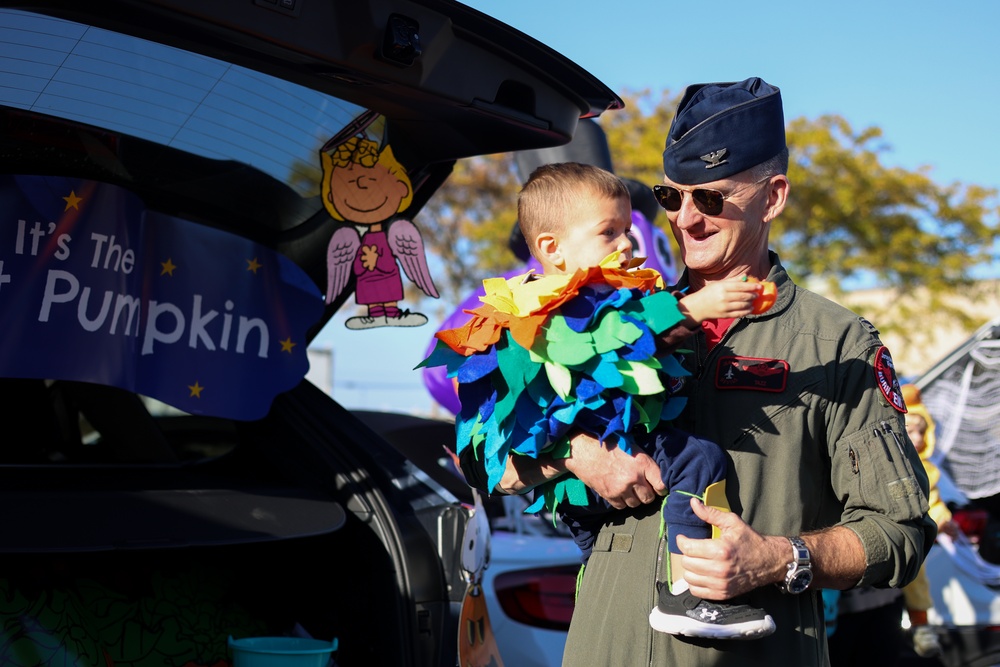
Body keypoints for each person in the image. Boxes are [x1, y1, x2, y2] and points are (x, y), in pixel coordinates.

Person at [458, 77, 936, 666]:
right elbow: (477, 458)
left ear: (774, 196)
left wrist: (779, 558)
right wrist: (574, 455)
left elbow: (900, 533)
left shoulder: (836, 342)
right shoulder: (604, 318)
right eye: (670, 197)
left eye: (709, 199)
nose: (685, 221)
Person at [422, 161, 778, 638]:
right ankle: (689, 593)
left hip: (576, 494)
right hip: (578, 472)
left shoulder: (585, 296)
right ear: (553, 248)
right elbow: (617, 339)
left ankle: (598, 604)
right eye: (609, 232)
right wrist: (694, 309)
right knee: (698, 459)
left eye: (628, 229)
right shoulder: (559, 306)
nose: (628, 243)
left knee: (594, 560)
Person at [900, 383, 959, 658]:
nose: (917, 439)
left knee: (916, 574)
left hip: (910, 534)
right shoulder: (890, 460)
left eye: (921, 432)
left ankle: (920, 624)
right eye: (909, 431)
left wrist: (943, 520)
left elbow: (933, 502)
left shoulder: (927, 470)